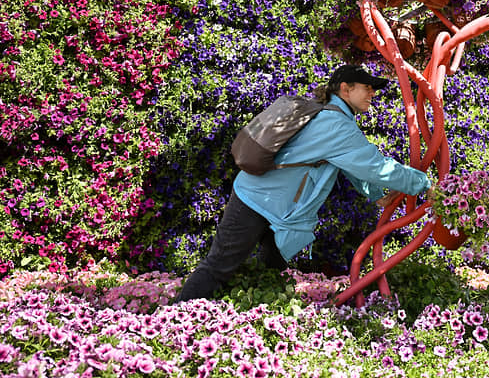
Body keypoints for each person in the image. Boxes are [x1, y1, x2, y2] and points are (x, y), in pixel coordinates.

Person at [175, 65, 432, 302]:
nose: (373, 93)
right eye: (367, 87)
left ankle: (261, 325)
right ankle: (176, 317)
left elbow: (349, 163)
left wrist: (375, 194)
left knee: (270, 271)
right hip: (257, 201)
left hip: (273, 205)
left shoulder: (332, 118)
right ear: (345, 88)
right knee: (218, 267)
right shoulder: (336, 125)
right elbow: (376, 166)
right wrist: (424, 184)